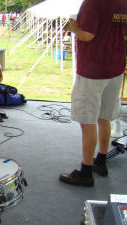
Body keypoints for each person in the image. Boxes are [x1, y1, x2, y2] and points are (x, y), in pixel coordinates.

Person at [59, 0, 127, 187]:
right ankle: (100, 161)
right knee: (104, 117)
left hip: (93, 71)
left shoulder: (93, 2)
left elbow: (87, 35)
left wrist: (73, 28)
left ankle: (86, 172)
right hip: (116, 67)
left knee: (88, 121)